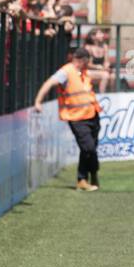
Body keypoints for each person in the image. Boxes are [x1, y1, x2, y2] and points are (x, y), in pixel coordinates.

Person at [33, 47, 104, 191]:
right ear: (82, 60)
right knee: (88, 147)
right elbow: (49, 83)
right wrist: (38, 101)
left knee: (90, 150)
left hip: (92, 114)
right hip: (77, 118)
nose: (88, 64)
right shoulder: (66, 71)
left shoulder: (82, 71)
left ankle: (87, 177)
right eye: (87, 61)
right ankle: (84, 178)